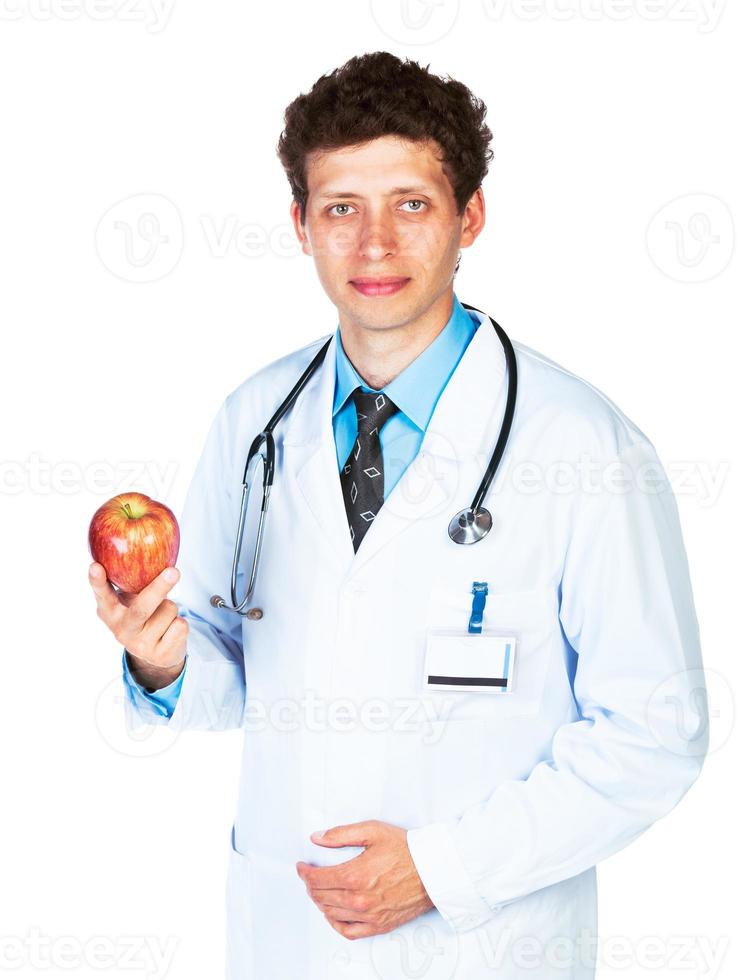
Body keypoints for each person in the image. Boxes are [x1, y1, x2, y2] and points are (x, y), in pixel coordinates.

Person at [88, 51, 708, 979]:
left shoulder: (582, 446)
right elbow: (229, 667)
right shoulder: (252, 422)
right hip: (287, 937)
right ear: (300, 225)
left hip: (485, 947)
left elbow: (656, 732)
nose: (374, 243)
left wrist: (441, 869)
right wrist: (161, 656)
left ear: (471, 217)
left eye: (411, 204)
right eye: (341, 208)